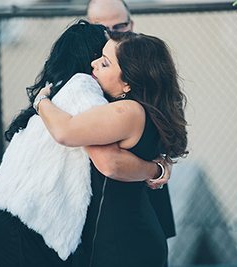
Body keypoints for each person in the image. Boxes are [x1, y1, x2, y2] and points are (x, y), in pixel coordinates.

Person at [0, 21, 170, 267]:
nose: (98, 65)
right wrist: (156, 169)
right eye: (101, 57)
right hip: (20, 230)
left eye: (106, 61)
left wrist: (42, 100)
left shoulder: (61, 93)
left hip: (3, 222)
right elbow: (108, 161)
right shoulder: (84, 91)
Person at [35, 31, 188, 266]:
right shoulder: (143, 110)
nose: (93, 63)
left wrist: (41, 101)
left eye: (105, 63)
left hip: (122, 243)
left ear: (128, 80)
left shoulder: (128, 111)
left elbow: (65, 131)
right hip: (129, 235)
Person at [87, 0, 179, 241]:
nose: (111, 33)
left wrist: (162, 162)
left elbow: (167, 120)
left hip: (145, 200)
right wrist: (156, 168)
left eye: (119, 26)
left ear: (131, 23)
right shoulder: (83, 67)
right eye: (102, 27)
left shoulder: (146, 63)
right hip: (99, 202)